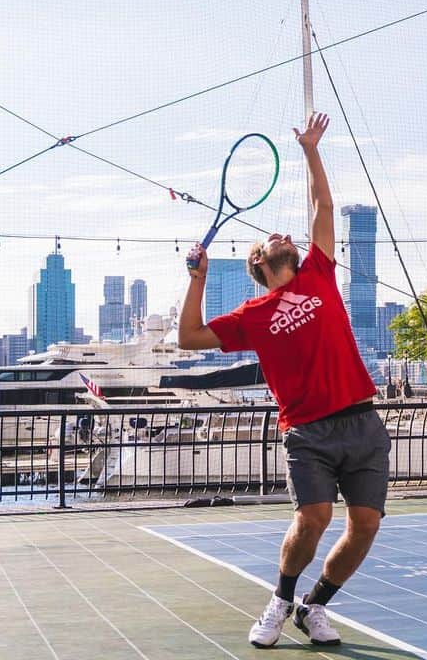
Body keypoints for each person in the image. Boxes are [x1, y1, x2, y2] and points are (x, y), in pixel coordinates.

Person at [178, 113, 388, 649]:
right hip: (308, 432)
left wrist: (312, 150)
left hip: (362, 422)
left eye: (286, 236)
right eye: (273, 238)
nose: (284, 236)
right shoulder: (252, 313)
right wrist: (198, 280)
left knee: (364, 526)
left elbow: (324, 207)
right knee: (314, 516)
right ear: (259, 261)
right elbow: (191, 337)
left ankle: (314, 607)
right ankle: (280, 600)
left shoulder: (318, 271)